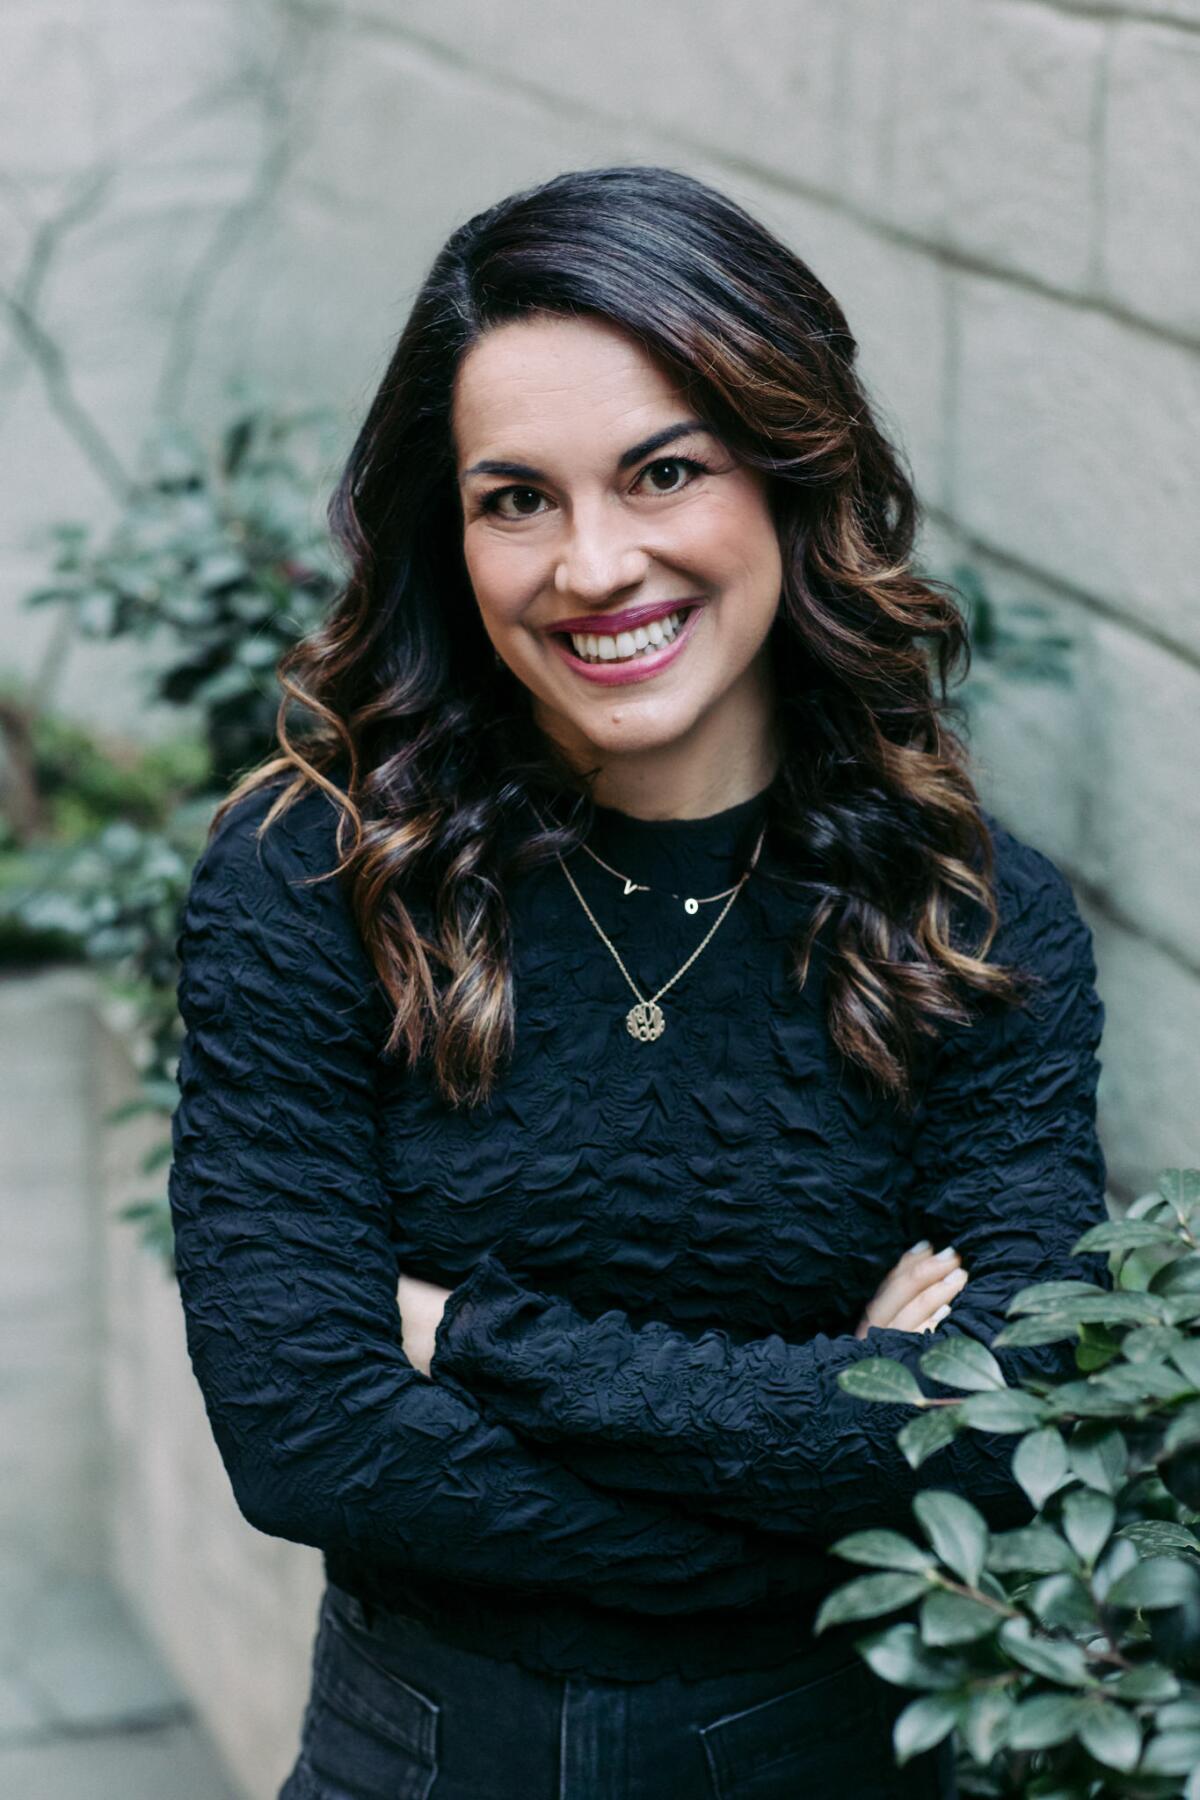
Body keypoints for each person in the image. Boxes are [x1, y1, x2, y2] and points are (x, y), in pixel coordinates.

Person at [167, 164, 1110, 1800]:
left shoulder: (964, 917)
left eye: (663, 472)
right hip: (414, 1762)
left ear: (790, 479)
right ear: (446, 535)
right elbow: (304, 1431)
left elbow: (997, 1425)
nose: (594, 565)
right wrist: (825, 1478)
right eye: (514, 498)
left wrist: (469, 1343)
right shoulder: (317, 881)